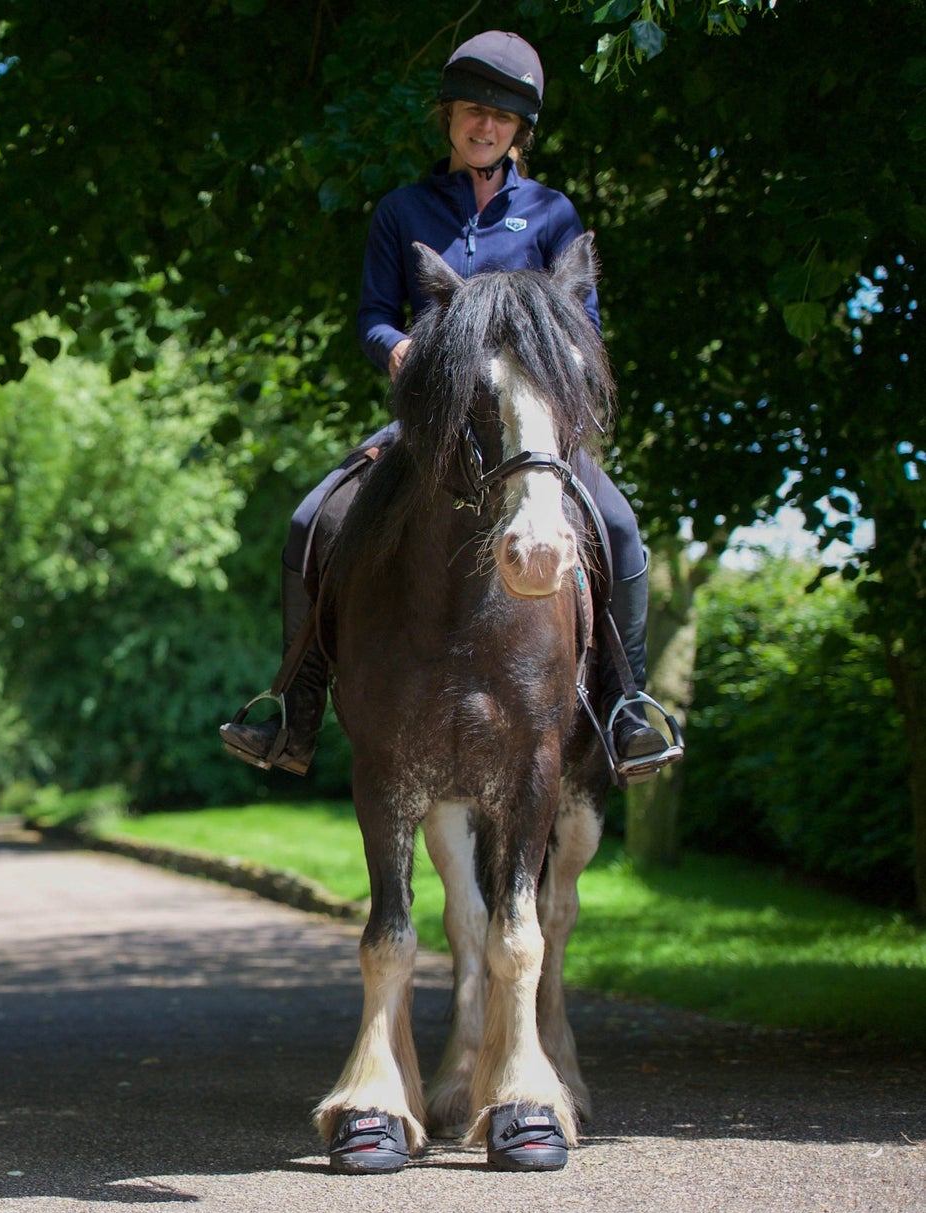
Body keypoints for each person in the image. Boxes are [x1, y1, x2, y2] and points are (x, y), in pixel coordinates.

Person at [219, 29, 680, 782]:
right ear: (450, 117)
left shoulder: (555, 214)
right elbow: (373, 315)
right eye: (473, 111)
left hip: (528, 425)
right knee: (312, 518)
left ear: (519, 131)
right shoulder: (403, 210)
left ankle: (628, 704)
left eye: (501, 118)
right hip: (434, 420)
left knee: (622, 529)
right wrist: (397, 349)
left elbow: (583, 324)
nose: (485, 127)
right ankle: (294, 709)